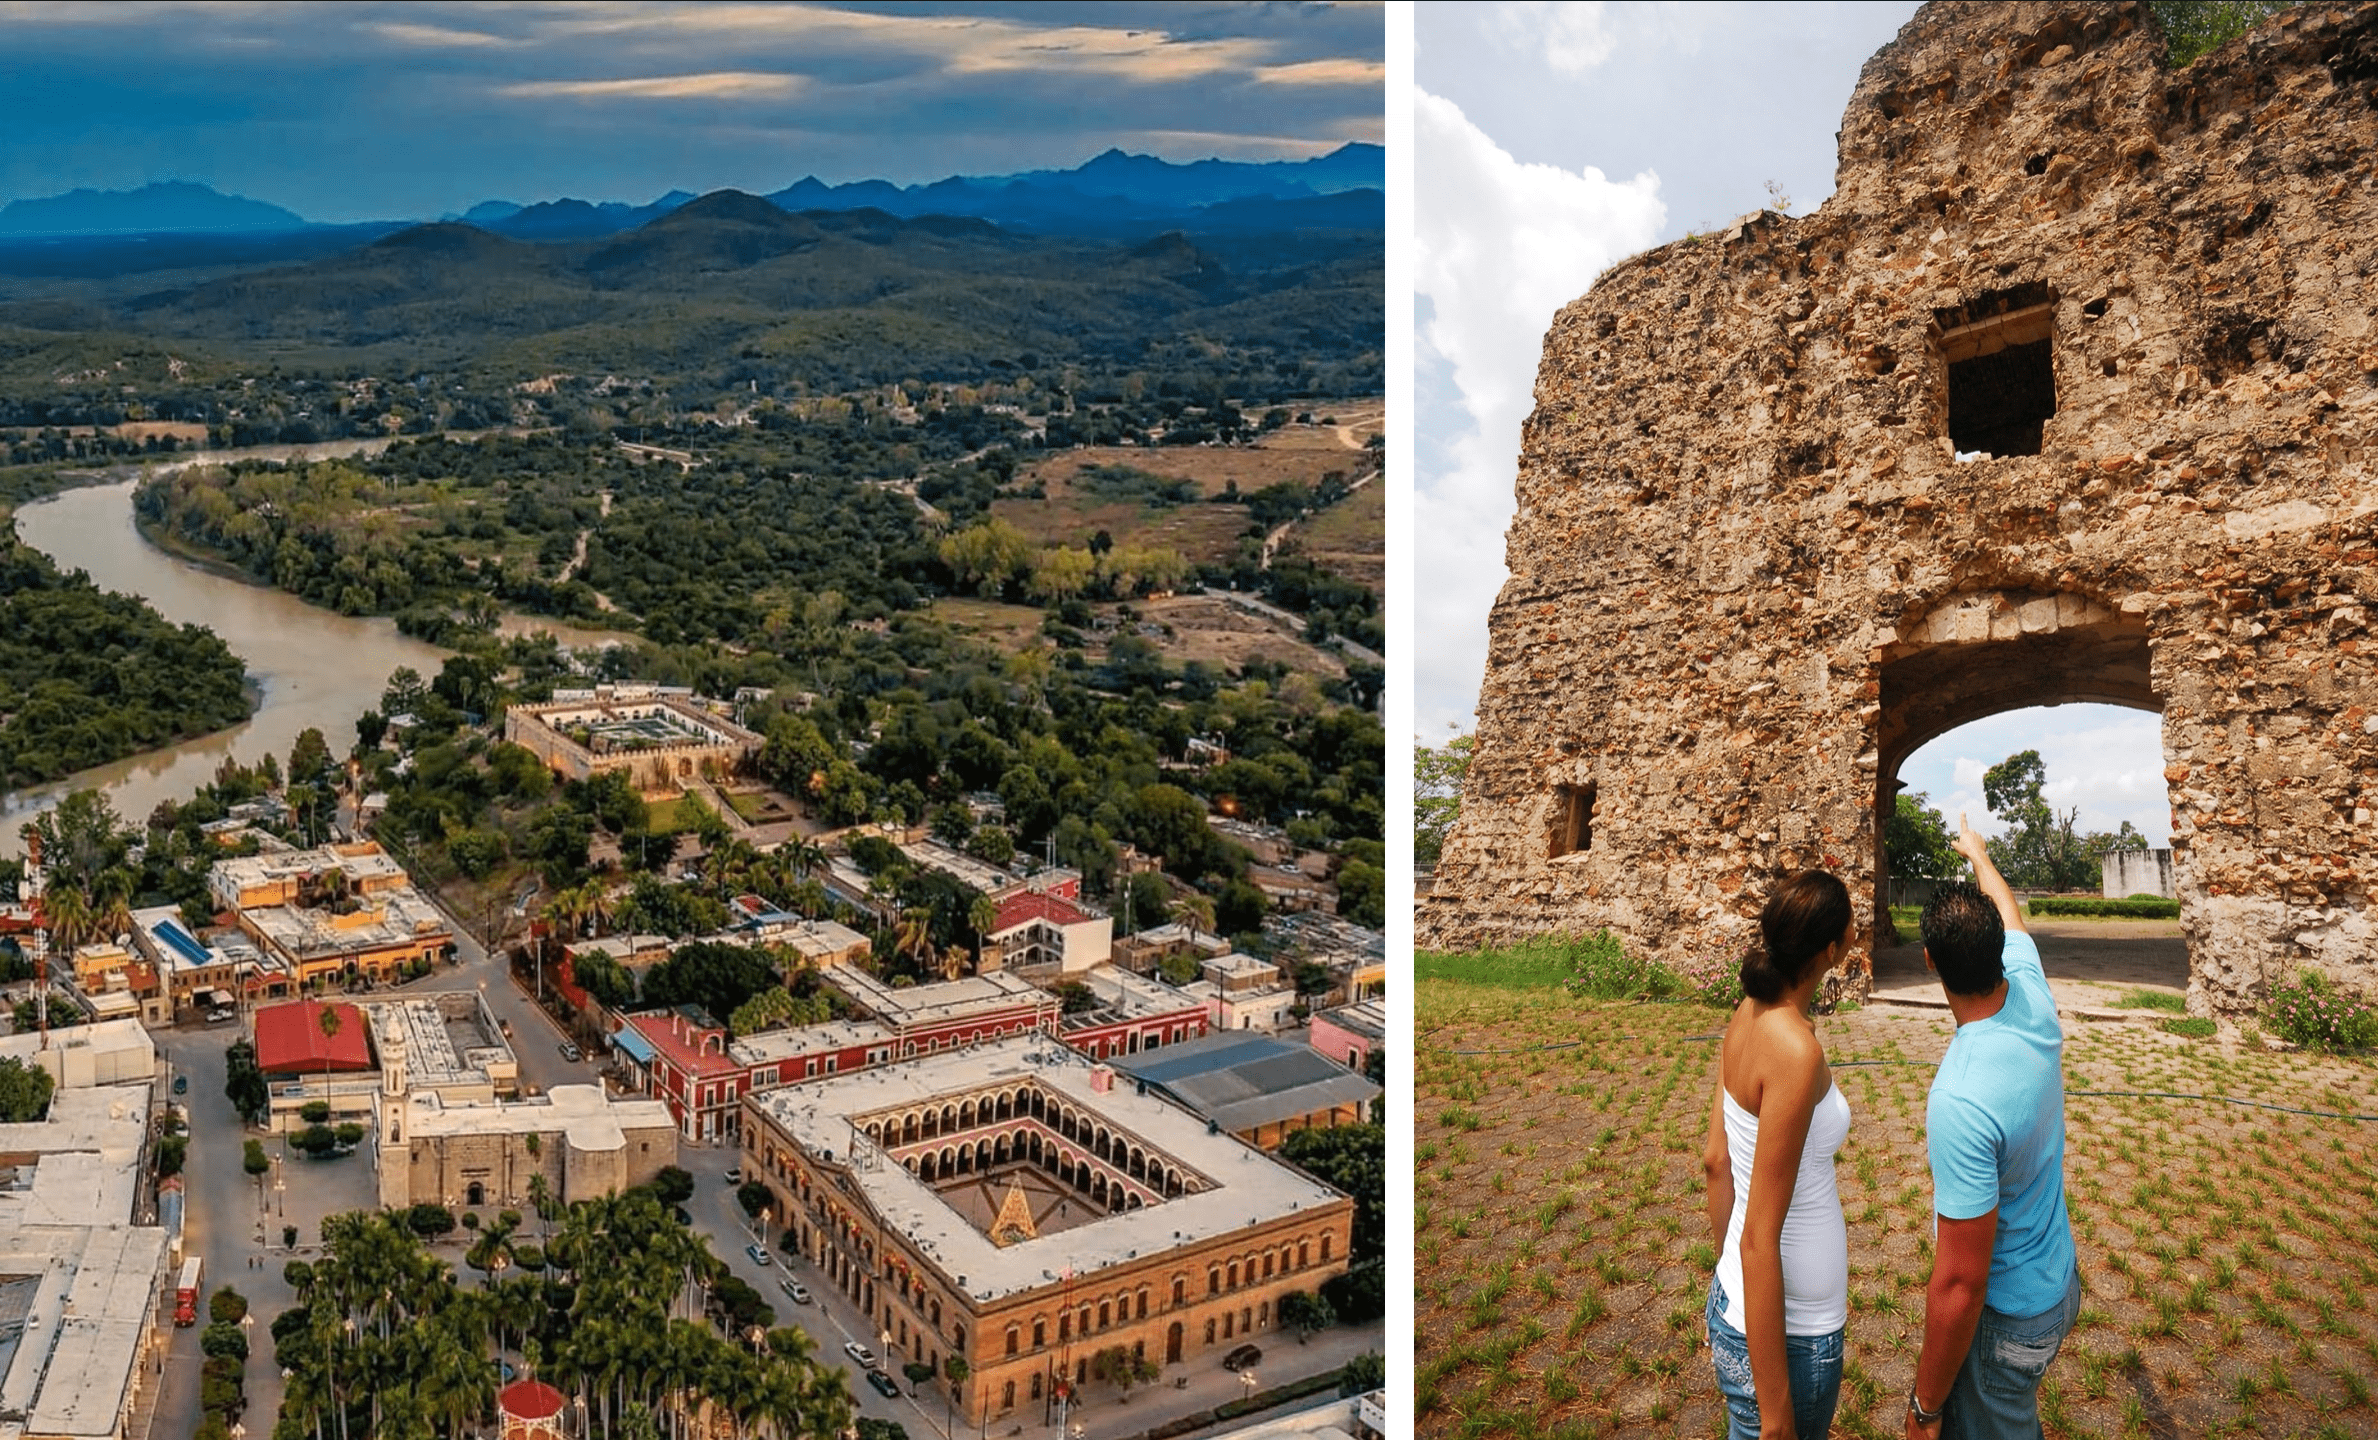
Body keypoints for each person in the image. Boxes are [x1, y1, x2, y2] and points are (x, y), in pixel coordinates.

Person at [1905, 817, 2080, 1438]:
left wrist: (1925, 1407)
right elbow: (2009, 908)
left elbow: (1959, 1280)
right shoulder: (2033, 993)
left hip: (2006, 1320)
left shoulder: (1960, 1097)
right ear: (1999, 951)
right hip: (2057, 1282)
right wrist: (1978, 853)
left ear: (1930, 962)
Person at [1703, 870, 1856, 1439]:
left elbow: (1715, 1160)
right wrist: (1775, 1418)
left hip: (1738, 1305)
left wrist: (1731, 1283)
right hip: (1790, 1332)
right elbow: (1761, 1239)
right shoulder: (1796, 1050)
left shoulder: (1746, 1011)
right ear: (1830, 951)